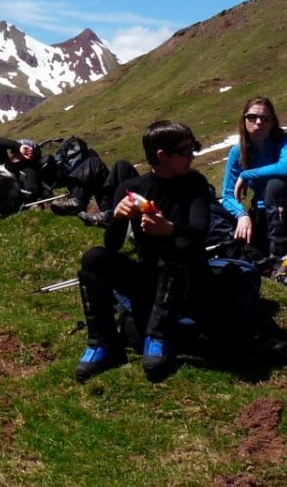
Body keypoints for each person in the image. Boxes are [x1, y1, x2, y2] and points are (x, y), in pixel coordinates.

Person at [73, 121, 213, 382]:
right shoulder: (133, 188)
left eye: (193, 147)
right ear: (162, 155)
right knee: (94, 258)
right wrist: (118, 218)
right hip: (149, 276)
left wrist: (169, 229)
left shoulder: (195, 183)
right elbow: (112, 245)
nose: (192, 155)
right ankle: (103, 341)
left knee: (178, 246)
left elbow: (199, 232)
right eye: (185, 150)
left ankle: (159, 336)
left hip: (187, 278)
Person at [216, 97, 287, 265]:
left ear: (272, 122)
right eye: (252, 117)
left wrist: (246, 175)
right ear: (244, 120)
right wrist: (242, 215)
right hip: (263, 213)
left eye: (265, 118)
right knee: (226, 223)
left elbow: (284, 168)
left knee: (275, 185)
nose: (259, 122)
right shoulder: (238, 152)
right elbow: (227, 195)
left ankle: (279, 258)